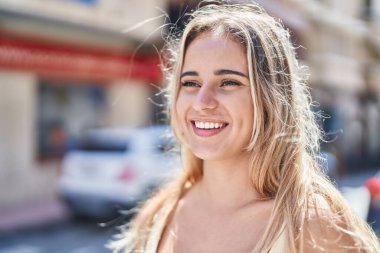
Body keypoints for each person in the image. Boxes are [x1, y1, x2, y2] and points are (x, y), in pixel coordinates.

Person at [110, 1, 380, 252]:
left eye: (228, 82)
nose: (202, 102)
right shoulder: (158, 213)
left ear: (270, 100)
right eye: (190, 83)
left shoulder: (313, 226)